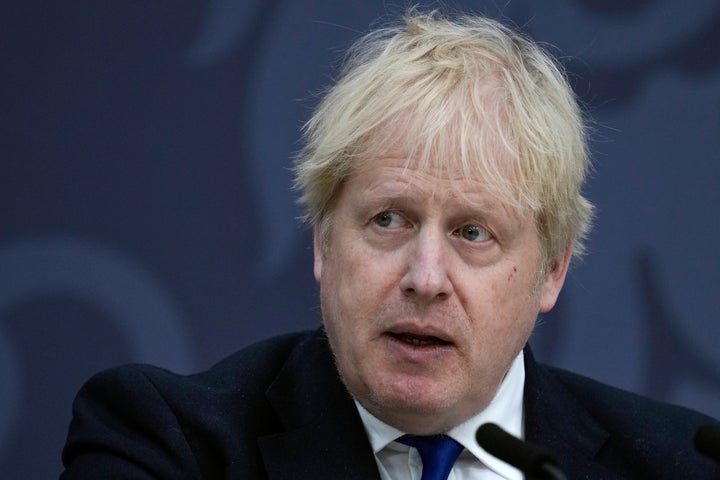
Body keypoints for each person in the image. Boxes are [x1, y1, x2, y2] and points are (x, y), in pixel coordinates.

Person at [59, 8, 720, 480]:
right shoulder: (167, 444)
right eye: (389, 221)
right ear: (322, 240)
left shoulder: (680, 463)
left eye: (472, 233)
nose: (425, 277)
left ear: (552, 271)